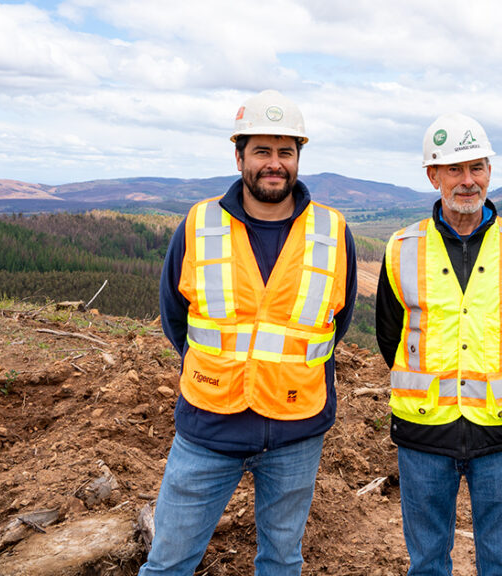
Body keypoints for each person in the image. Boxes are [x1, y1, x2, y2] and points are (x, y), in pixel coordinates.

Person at [141, 89, 357, 576]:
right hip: (209, 423)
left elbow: (332, 327)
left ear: (298, 158)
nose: (274, 163)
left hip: (296, 428)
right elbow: (177, 319)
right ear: (239, 156)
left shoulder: (332, 229)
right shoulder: (199, 224)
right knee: (169, 562)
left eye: (285, 152)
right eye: (262, 151)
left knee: (281, 561)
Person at [375, 113, 502, 576]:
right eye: (454, 169)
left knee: (500, 562)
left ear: (490, 171)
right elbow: (389, 335)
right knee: (429, 561)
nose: (468, 181)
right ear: (433, 175)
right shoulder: (402, 246)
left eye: (477, 168)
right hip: (424, 430)